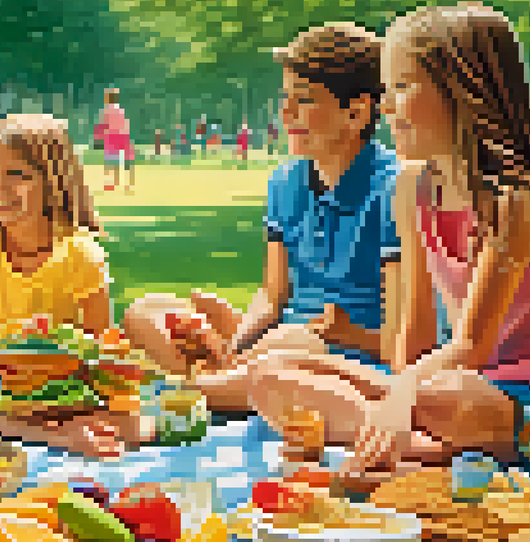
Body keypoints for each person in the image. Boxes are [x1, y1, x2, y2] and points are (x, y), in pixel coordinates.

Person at [249, 3, 530, 476]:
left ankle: (411, 447)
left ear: (462, 91)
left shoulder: (516, 203)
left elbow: (470, 348)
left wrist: (402, 395)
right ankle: (419, 448)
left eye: (401, 88)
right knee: (270, 375)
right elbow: (415, 345)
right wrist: (398, 387)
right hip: (454, 385)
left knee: (449, 400)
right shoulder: (411, 189)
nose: (385, 107)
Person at [120, 23, 406, 415]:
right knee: (147, 311)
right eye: (285, 97)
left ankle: (195, 392)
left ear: (356, 113)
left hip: (345, 358)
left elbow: (410, 338)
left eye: (303, 100)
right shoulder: (285, 183)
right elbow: (273, 297)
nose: (285, 113)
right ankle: (220, 379)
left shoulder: (396, 190)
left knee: (283, 351)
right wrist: (238, 342)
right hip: (281, 341)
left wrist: (346, 333)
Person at [0, 114, 149, 457]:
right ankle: (52, 436)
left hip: (62, 387)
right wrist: (2, 356)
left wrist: (52, 360)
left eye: (17, 175)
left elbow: (101, 347)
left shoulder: (81, 255)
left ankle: (30, 427)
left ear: (52, 182)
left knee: (133, 427)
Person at [94, 89, 134, 191]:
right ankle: (119, 182)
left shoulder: (105, 111)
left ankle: (110, 182)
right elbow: (125, 123)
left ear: (107, 98)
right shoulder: (121, 110)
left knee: (109, 160)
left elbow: (101, 125)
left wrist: (97, 138)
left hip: (111, 137)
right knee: (119, 161)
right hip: (123, 136)